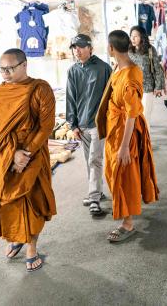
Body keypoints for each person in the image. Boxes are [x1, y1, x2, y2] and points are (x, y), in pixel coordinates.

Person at [0, 48, 56, 272]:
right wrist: (12, 154)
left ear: (24, 65)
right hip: (7, 157)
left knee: (32, 201)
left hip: (32, 156)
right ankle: (16, 236)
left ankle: (31, 246)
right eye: (1, 69)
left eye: (10, 68)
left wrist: (27, 152)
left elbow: (46, 125)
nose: (5, 73)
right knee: (8, 200)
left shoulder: (40, 89)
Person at [97, 30, 159, 243]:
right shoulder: (119, 68)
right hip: (116, 130)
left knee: (124, 175)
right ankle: (126, 214)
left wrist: (124, 147)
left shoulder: (131, 73)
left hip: (126, 133)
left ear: (111, 48)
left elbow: (132, 113)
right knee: (116, 173)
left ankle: (128, 222)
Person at [66, 34, 112, 216]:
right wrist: (73, 124)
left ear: (90, 48)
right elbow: (70, 97)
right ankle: (98, 191)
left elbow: (111, 96)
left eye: (81, 47)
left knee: (95, 159)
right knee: (89, 160)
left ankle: (93, 197)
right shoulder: (73, 70)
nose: (77, 50)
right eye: (75, 47)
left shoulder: (103, 68)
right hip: (81, 124)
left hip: (97, 123)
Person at [129, 26, 165, 130]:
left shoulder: (150, 50)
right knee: (133, 117)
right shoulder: (128, 50)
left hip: (147, 88)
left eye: (136, 36)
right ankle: (137, 143)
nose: (133, 39)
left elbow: (157, 69)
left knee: (144, 117)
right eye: (131, 36)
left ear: (142, 37)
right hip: (132, 89)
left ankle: (145, 144)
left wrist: (158, 87)